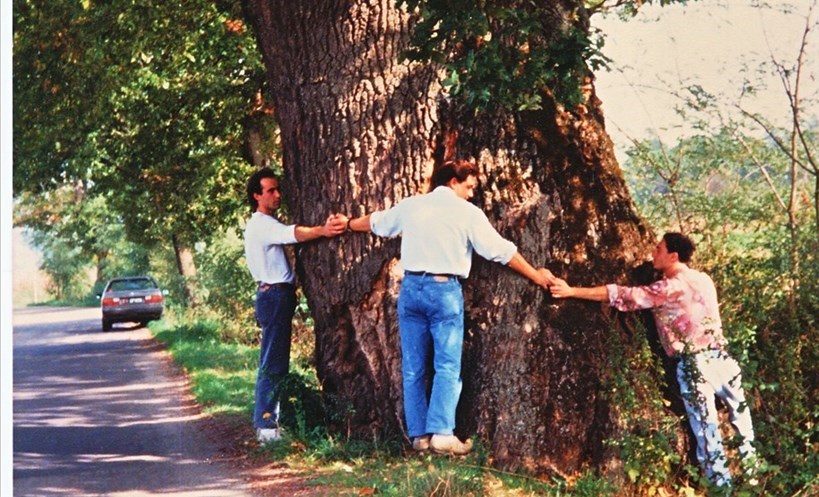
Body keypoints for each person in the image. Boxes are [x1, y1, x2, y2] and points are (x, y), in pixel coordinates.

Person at [347, 160, 556, 455]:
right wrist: (535, 275)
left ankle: (419, 436)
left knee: (413, 367)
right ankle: (443, 433)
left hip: (411, 289)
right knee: (446, 364)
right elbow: (500, 251)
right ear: (453, 181)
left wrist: (347, 224)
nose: (471, 194)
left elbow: (376, 222)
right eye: (469, 187)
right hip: (443, 290)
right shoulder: (467, 213)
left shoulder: (413, 205)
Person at [549, 233, 756, 488]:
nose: (652, 254)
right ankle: (754, 480)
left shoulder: (668, 288)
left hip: (695, 364)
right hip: (723, 359)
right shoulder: (704, 279)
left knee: (707, 431)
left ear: (673, 256)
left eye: (658, 249)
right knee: (742, 424)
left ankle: (721, 489)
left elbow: (623, 295)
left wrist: (572, 291)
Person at [244, 167, 347, 443]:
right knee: (273, 361)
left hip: (276, 295)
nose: (277, 195)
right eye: (271, 191)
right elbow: (294, 234)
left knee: (275, 359)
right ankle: (266, 425)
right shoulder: (262, 224)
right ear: (256, 196)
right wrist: (324, 230)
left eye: (278, 189)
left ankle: (269, 421)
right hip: (275, 296)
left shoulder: (263, 223)